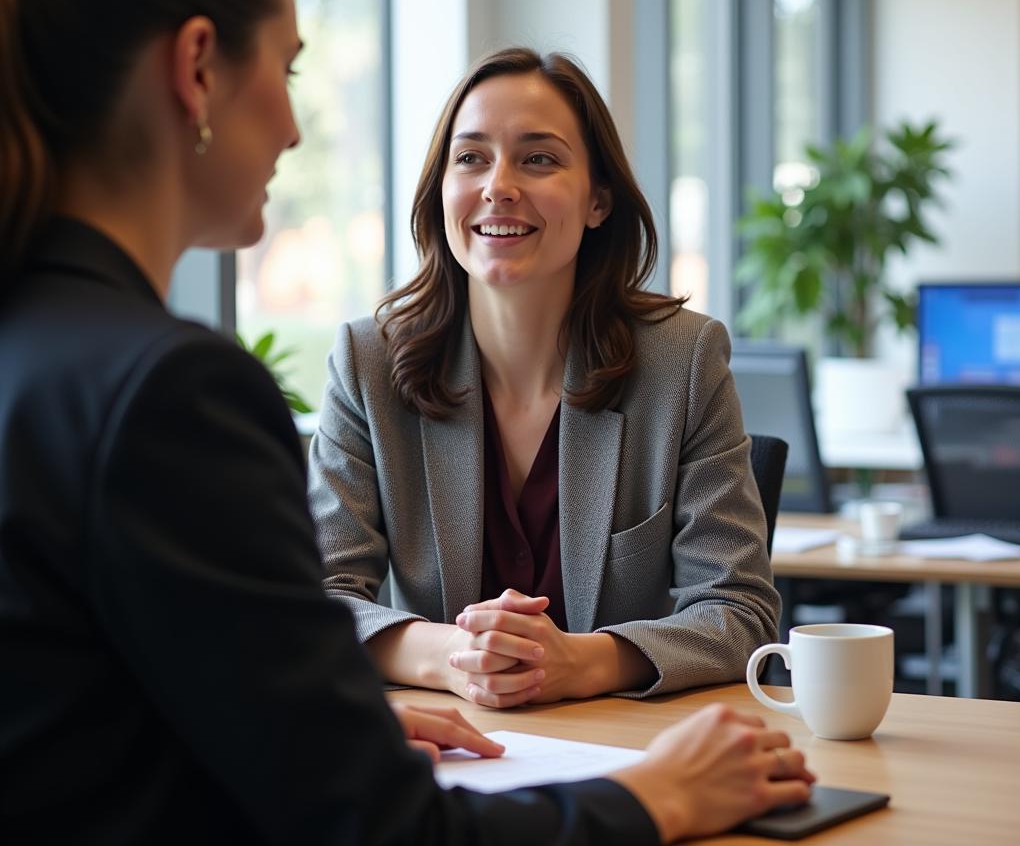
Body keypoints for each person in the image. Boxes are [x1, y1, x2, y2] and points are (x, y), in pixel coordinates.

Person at [0, 0, 813, 845]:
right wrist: (660, 795)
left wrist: (329, 726)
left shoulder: (36, 344)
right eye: (288, 70)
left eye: (540, 159)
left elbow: (129, 718)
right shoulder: (173, 388)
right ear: (199, 67)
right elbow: (376, 820)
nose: (298, 128)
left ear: (599, 200)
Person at [309, 48, 781, 709]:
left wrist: (579, 663)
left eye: (538, 158)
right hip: (445, 750)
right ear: (441, 190)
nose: (498, 184)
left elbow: (739, 611)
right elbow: (318, 598)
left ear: (598, 201)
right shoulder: (368, 362)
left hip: (630, 754)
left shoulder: (684, 360)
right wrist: (452, 656)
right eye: (471, 158)